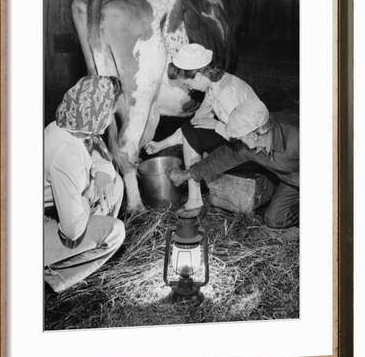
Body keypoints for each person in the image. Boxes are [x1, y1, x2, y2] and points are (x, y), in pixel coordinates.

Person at [145, 43, 266, 218]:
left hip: (253, 152)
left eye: (188, 83)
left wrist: (216, 126)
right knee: (191, 129)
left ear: (200, 75)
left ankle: (194, 200)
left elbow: (245, 138)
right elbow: (195, 123)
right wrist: (160, 145)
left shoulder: (227, 94)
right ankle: (195, 198)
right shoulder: (215, 86)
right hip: (240, 143)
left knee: (194, 133)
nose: (190, 88)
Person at [44, 75, 125, 293]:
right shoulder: (66, 155)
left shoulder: (70, 125)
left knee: (114, 185)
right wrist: (87, 200)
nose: (111, 116)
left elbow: (95, 148)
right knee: (116, 231)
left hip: (57, 208)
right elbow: (72, 230)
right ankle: (57, 277)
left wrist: (102, 174)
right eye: (109, 111)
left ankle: (82, 256)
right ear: (96, 113)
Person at [168, 99, 299, 230]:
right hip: (291, 180)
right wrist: (187, 174)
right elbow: (225, 156)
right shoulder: (252, 144)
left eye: (240, 138)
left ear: (253, 136)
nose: (239, 140)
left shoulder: (297, 139)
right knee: (275, 220)